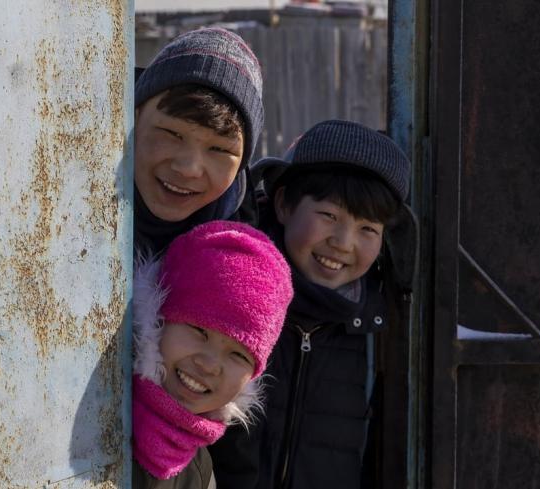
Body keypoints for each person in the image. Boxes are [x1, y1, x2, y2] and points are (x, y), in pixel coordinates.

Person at [209, 120, 417, 489]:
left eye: (368, 228)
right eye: (329, 216)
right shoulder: (232, 299)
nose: (343, 242)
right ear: (283, 204)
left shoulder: (378, 331)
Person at [132, 221, 294, 488]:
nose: (209, 365)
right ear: (156, 318)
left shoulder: (199, 472)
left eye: (239, 355)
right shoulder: (94, 403)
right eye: (199, 330)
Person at [134, 27, 264, 255]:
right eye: (172, 134)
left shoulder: (246, 255)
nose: (189, 169)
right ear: (135, 117)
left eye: (219, 149)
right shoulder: (70, 206)